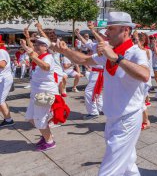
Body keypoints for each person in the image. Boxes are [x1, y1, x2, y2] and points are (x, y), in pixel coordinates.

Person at [52, 11, 150, 176]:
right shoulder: (108, 53)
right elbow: (83, 60)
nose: (106, 32)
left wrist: (116, 58)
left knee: (107, 172)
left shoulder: (135, 52)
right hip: (113, 118)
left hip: (128, 119)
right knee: (129, 167)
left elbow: (145, 75)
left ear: (125, 30)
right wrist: (65, 51)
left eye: (111, 28)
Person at [21, 37, 59, 151]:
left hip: (45, 93)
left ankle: (50, 142)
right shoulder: (40, 56)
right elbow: (31, 50)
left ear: (45, 47)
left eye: (39, 44)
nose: (36, 45)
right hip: (37, 92)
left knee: (39, 118)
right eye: (36, 43)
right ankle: (47, 136)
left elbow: (46, 67)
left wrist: (32, 54)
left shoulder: (48, 57)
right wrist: (24, 46)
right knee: (30, 117)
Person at [75, 25, 106, 120]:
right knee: (98, 91)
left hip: (99, 73)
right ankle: (101, 109)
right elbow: (86, 43)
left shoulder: (106, 44)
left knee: (89, 92)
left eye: (101, 34)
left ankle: (93, 112)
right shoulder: (97, 45)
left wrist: (93, 30)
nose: (98, 36)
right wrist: (78, 35)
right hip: (96, 72)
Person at [0, 35, 15, 127]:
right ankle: (8, 118)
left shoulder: (1, 51)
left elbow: (2, 64)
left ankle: (9, 120)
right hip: (2, 78)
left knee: (0, 101)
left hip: (4, 79)